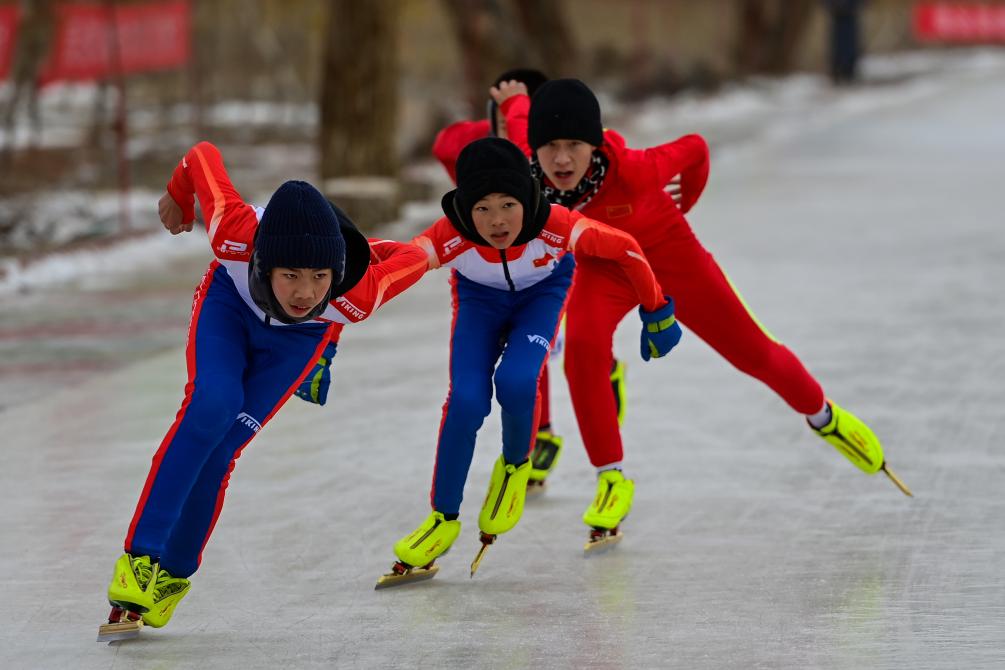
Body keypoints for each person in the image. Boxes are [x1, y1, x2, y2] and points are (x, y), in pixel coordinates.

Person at [492, 78, 910, 541]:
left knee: (752, 352)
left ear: (593, 142)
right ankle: (611, 478)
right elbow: (519, 119)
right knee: (583, 350)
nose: (563, 159)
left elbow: (695, 147)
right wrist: (513, 99)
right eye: (550, 147)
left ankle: (823, 416)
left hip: (670, 258)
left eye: (575, 144)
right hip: (605, 269)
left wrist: (682, 202)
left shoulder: (636, 169)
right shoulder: (528, 168)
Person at [99, 141, 428, 638]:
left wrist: (359, 251)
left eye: (320, 277)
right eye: (291, 275)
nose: (304, 292)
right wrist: (176, 194)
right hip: (230, 308)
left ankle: (174, 575)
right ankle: (140, 559)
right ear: (264, 264)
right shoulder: (234, 232)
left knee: (224, 445)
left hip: (298, 344)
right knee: (212, 406)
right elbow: (200, 155)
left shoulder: (355, 296)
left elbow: (413, 256)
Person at [377, 137, 681, 585]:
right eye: (482, 208)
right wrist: (331, 319)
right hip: (479, 303)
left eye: (507, 204)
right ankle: (443, 518)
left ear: (528, 199)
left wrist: (656, 309)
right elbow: (391, 272)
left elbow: (627, 248)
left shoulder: (557, 224)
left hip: (541, 297)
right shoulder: (450, 233)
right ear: (464, 208)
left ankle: (515, 467)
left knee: (518, 381)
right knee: (465, 401)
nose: (496, 221)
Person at [430, 68, 628, 492]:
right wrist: (492, 124)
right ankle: (541, 431)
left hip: (566, 255)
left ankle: (587, 385)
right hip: (501, 264)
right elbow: (445, 144)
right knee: (527, 352)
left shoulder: (550, 155)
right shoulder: (487, 149)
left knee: (555, 339)